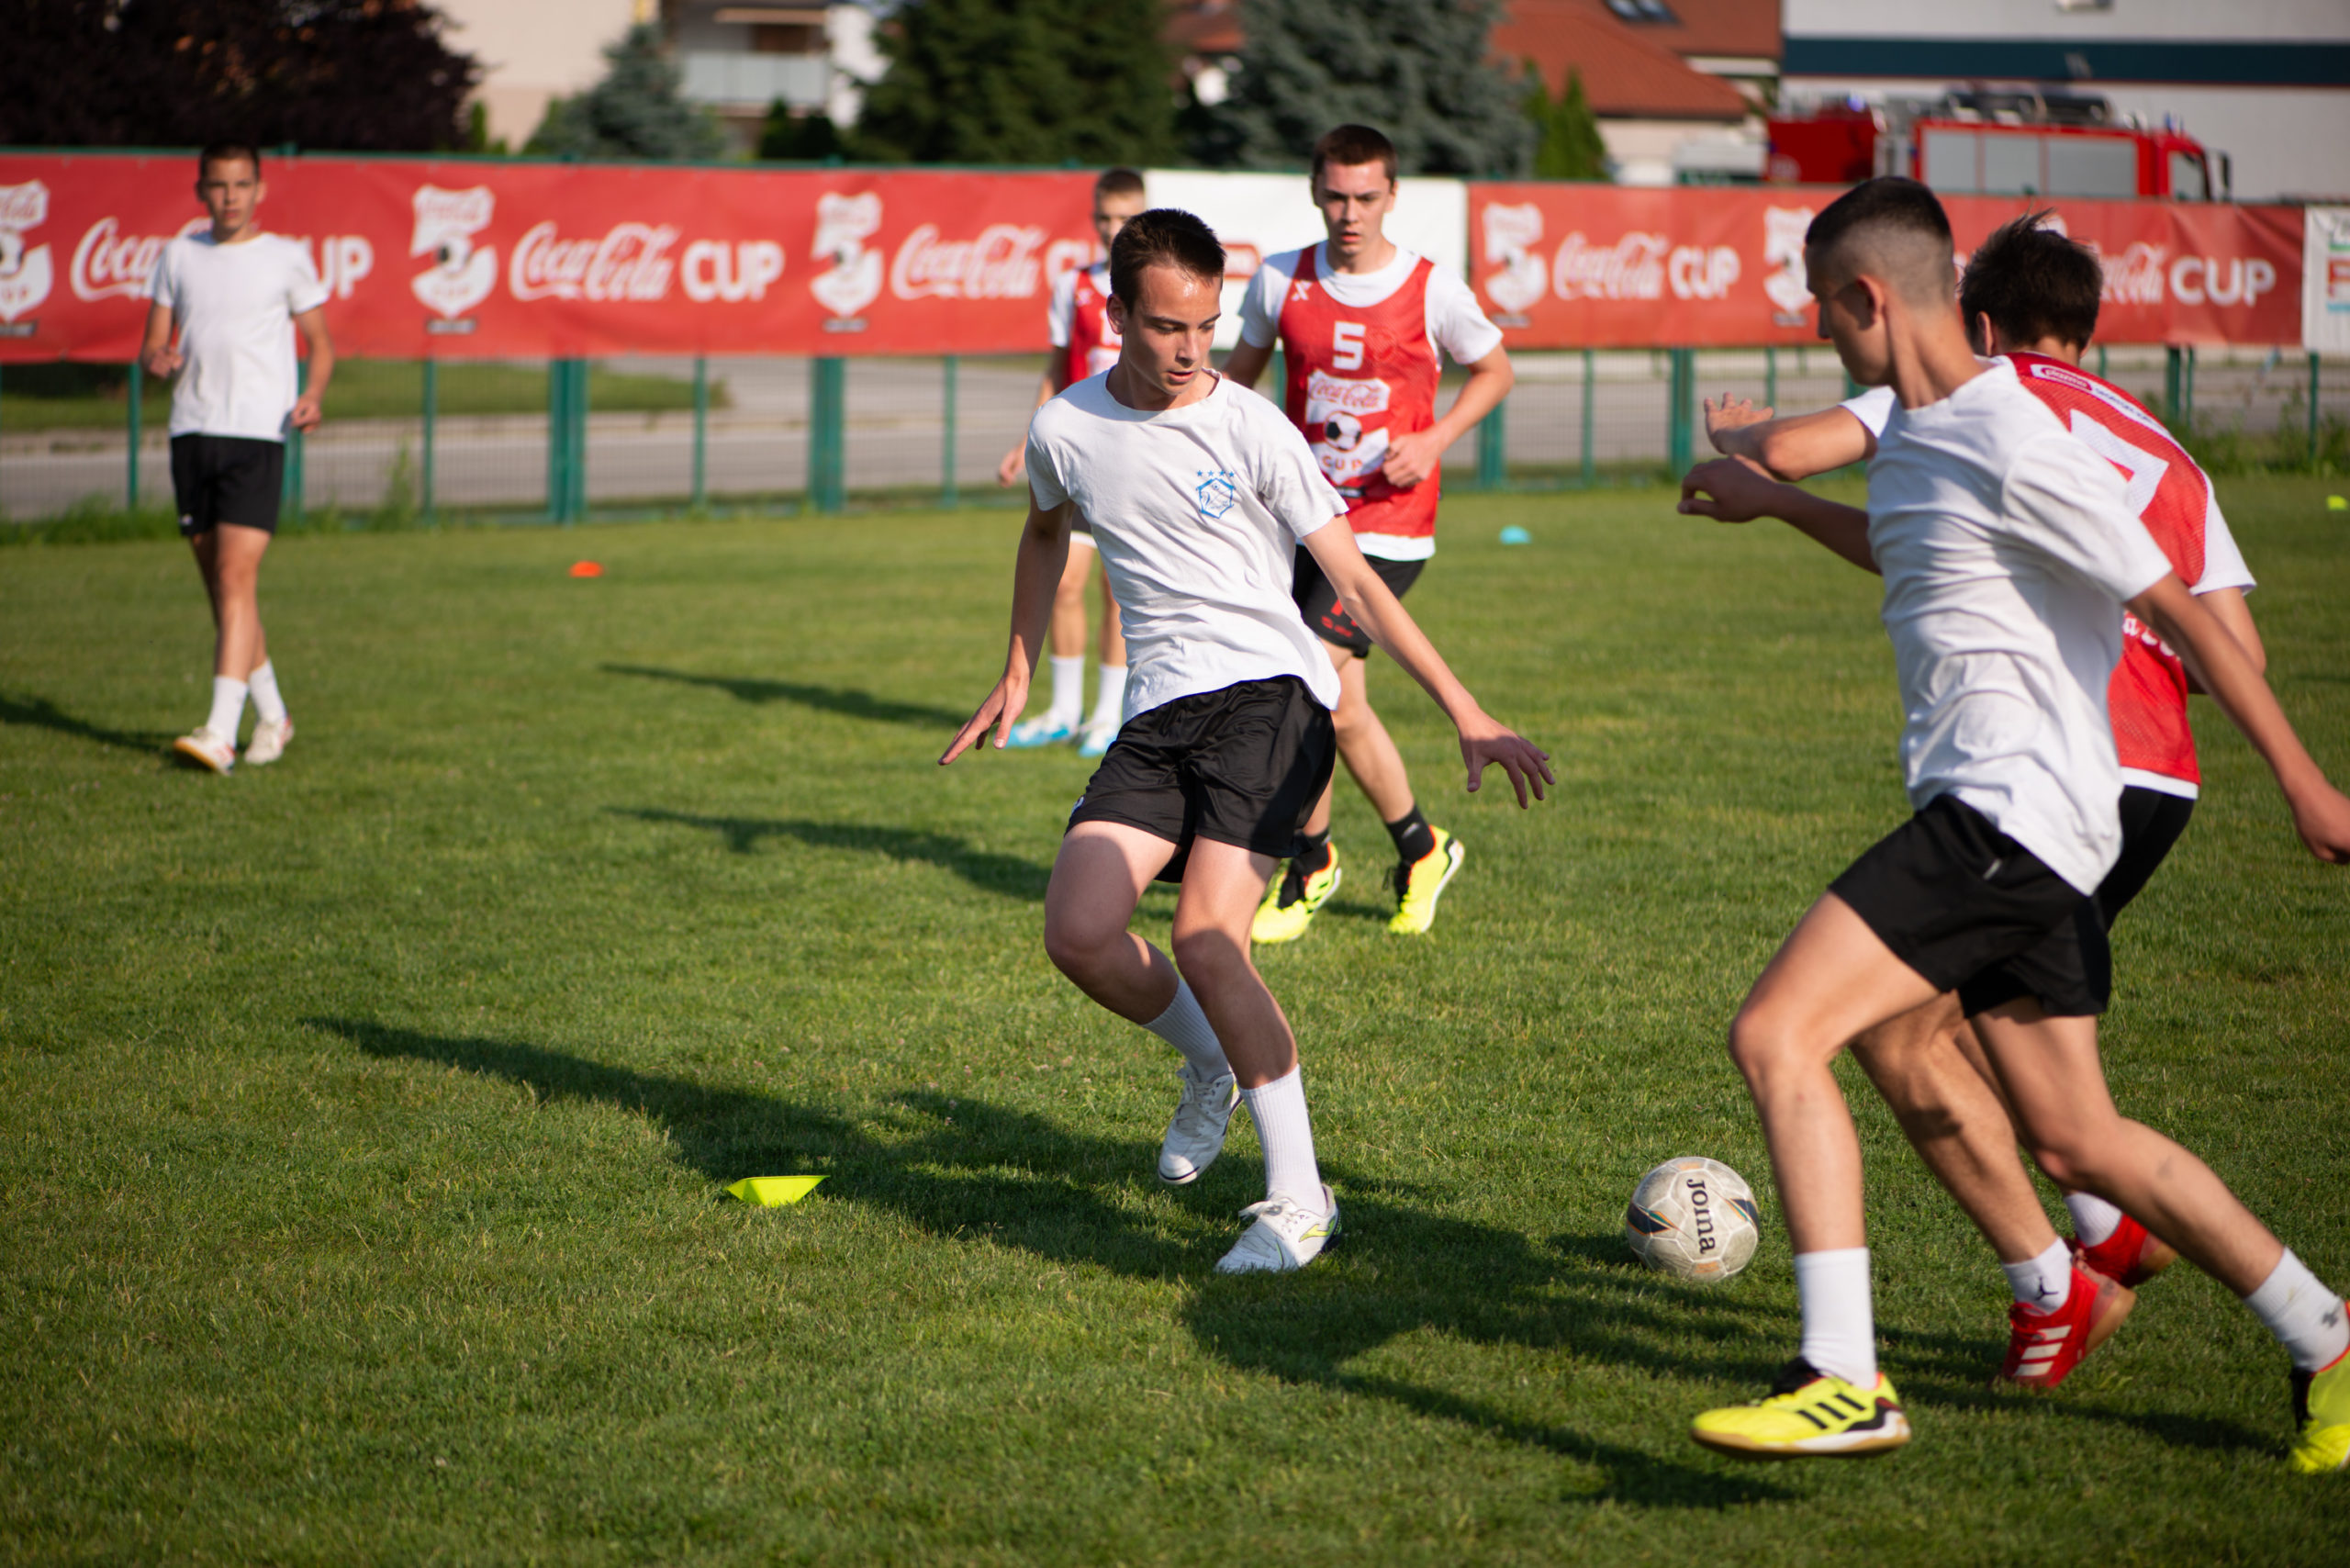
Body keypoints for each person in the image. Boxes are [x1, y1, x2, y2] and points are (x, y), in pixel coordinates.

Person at [1673, 178, 2350, 1468]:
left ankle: (1842, 1373)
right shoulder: (1927, 435)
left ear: (1871, 300)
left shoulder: (2015, 433)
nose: (1826, 344)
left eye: (1829, 321)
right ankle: (2327, 1337)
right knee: (2077, 1137)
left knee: (1778, 1032)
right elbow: (1920, 547)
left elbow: (2193, 613)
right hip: (2030, 821)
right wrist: (1778, 503)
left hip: (2012, 808)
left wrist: (2307, 782)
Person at [941, 208, 1550, 1272]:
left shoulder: (1251, 426)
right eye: (1168, 326)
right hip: (1158, 714)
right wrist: (1017, 667)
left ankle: (1299, 1198)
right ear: (1118, 314)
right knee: (1077, 931)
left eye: (1207, 326)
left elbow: (1354, 579)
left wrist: (1466, 708)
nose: (1192, 350)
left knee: (1207, 939)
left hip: (1272, 699)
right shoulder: (1067, 427)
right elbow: (1044, 531)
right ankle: (1211, 1065)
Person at [1221, 124, 1516, 941]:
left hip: (1389, 526)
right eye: (1336, 196)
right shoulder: (1281, 280)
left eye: (1367, 197)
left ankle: (1311, 860)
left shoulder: (1431, 289)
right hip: (1304, 519)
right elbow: (1235, 390)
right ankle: (1417, 849)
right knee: (1336, 705)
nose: (1350, 213)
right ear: (1316, 191)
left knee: (1308, 674)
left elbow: (1496, 371)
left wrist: (1435, 439)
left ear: (1392, 197)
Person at [141, 141, 333, 774]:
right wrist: (160, 359)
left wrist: (312, 393)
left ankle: (221, 733)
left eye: (242, 185)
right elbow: (154, 343)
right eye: (219, 186)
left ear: (261, 190)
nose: (231, 197)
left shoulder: (286, 258)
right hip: (193, 433)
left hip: (258, 434)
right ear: (201, 190)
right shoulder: (178, 254)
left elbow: (321, 344)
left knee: (236, 581)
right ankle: (274, 716)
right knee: (224, 592)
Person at [996, 168, 1148, 758]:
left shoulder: (1153, 286)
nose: (1115, 229)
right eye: (1105, 218)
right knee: (1063, 584)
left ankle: (1110, 714)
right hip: (1078, 454)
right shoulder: (1075, 285)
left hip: (1133, 456)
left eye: (1127, 218)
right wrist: (1029, 437)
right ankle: (1064, 709)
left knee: (1117, 590)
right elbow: (1058, 367)